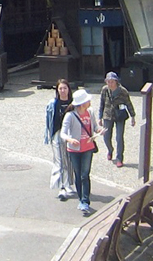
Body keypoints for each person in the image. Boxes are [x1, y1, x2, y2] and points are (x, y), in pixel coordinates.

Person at [61, 88, 105, 216]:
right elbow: (63, 133)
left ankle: (85, 201)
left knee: (85, 174)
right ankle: (81, 198)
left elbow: (94, 127)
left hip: (88, 147)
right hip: (74, 149)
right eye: (87, 100)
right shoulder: (70, 115)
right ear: (81, 103)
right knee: (78, 174)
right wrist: (70, 139)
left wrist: (99, 131)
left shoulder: (90, 112)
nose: (89, 102)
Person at [44, 78, 74, 201]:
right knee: (60, 161)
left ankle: (68, 184)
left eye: (65, 88)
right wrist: (48, 135)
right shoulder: (53, 104)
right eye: (60, 88)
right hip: (57, 134)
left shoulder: (73, 103)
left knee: (69, 161)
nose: (62, 90)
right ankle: (62, 186)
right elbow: (49, 121)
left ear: (68, 89)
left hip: (71, 135)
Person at [99, 72, 136, 168]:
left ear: (116, 81)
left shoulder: (123, 91)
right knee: (106, 136)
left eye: (112, 82)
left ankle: (119, 157)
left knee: (119, 137)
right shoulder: (104, 90)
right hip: (107, 115)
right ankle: (110, 150)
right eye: (108, 82)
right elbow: (102, 103)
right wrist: (100, 117)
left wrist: (133, 116)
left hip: (120, 115)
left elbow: (128, 103)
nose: (110, 84)